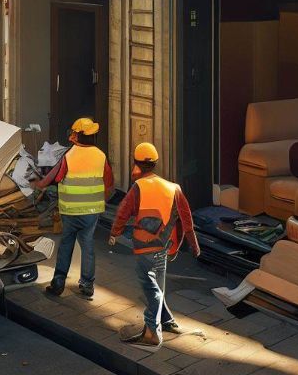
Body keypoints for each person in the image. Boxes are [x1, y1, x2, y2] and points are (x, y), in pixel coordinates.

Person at [108, 142, 201, 350]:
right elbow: (187, 220)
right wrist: (194, 245)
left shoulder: (138, 188)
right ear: (155, 163)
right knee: (159, 283)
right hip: (163, 247)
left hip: (144, 247)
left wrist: (114, 233)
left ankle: (151, 332)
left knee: (151, 288)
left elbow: (123, 212)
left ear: (136, 164)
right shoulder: (173, 188)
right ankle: (166, 321)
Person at [34, 117, 114, 299]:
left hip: (70, 211)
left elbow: (53, 178)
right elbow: (109, 184)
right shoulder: (101, 156)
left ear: (76, 136)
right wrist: (99, 202)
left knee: (66, 245)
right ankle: (87, 285)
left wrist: (38, 184)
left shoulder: (69, 156)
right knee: (88, 246)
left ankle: (58, 283)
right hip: (92, 212)